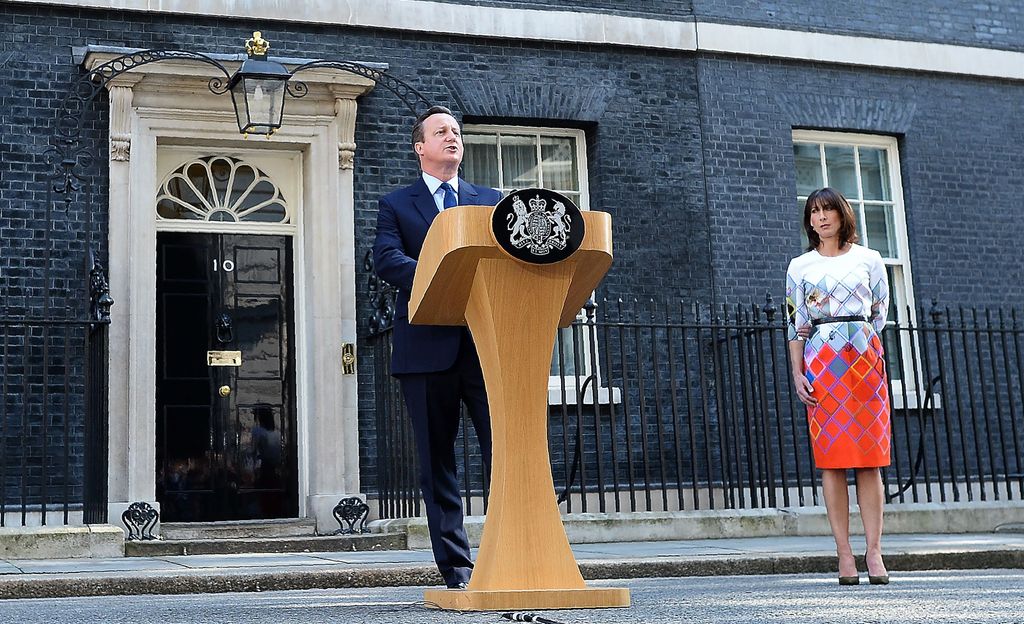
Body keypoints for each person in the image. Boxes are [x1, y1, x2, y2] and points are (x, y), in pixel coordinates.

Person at [372, 105, 499, 590]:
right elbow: (386, 259)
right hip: (424, 350)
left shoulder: (489, 199)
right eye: (441, 131)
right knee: (437, 463)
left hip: (486, 345)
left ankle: (508, 549)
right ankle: (457, 568)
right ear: (419, 147)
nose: (452, 137)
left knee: (503, 455)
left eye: (456, 131)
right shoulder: (396, 204)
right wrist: (441, 278)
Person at [786, 187, 892, 586]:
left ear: (841, 214)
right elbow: (796, 322)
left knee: (870, 460)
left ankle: (875, 552)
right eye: (813, 212)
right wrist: (797, 373)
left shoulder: (870, 259)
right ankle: (844, 555)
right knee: (831, 460)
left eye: (828, 210)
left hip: (864, 362)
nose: (821, 218)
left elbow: (880, 312)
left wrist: (861, 343)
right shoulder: (799, 266)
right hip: (821, 365)